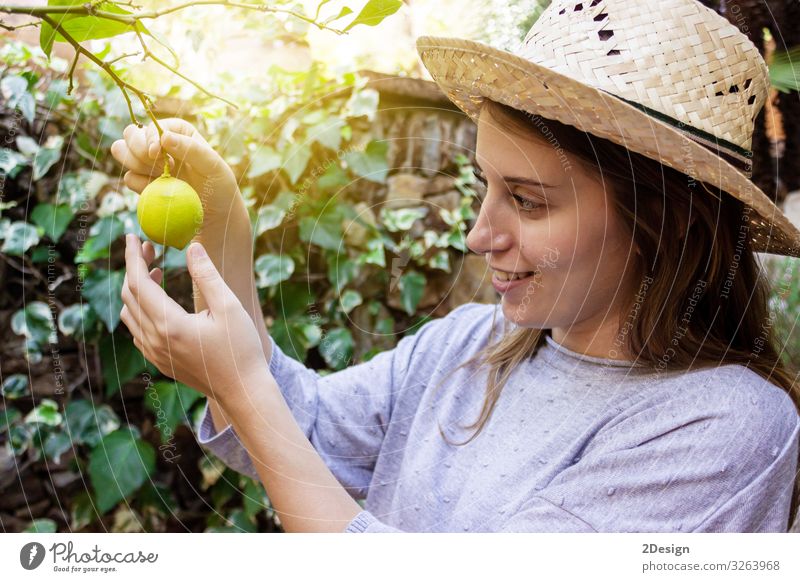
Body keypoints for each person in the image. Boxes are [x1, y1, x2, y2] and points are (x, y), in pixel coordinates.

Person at [111, 0, 800, 532]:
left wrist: (238, 381)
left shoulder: (723, 429)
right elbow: (304, 430)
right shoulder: (465, 347)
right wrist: (227, 225)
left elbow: (266, 414)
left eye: (527, 202)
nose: (478, 235)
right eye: (484, 187)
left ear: (668, 224)